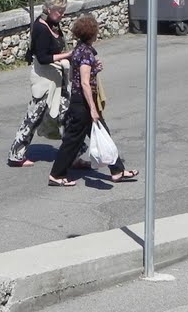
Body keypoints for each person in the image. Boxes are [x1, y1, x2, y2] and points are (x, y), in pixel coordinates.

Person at [48, 14, 138, 187]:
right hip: (82, 104)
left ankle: (117, 171)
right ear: (91, 33)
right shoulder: (86, 53)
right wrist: (93, 109)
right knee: (72, 141)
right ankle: (56, 175)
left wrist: (94, 70)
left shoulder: (80, 49)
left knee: (103, 133)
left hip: (83, 103)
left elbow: (84, 74)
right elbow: (84, 82)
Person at [6, 0, 72, 168]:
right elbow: (43, 57)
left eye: (63, 10)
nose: (62, 14)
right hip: (44, 80)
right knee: (34, 116)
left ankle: (74, 154)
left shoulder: (54, 25)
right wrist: (68, 56)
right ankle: (16, 155)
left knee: (67, 116)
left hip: (57, 79)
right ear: (49, 9)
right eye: (59, 11)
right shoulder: (41, 28)